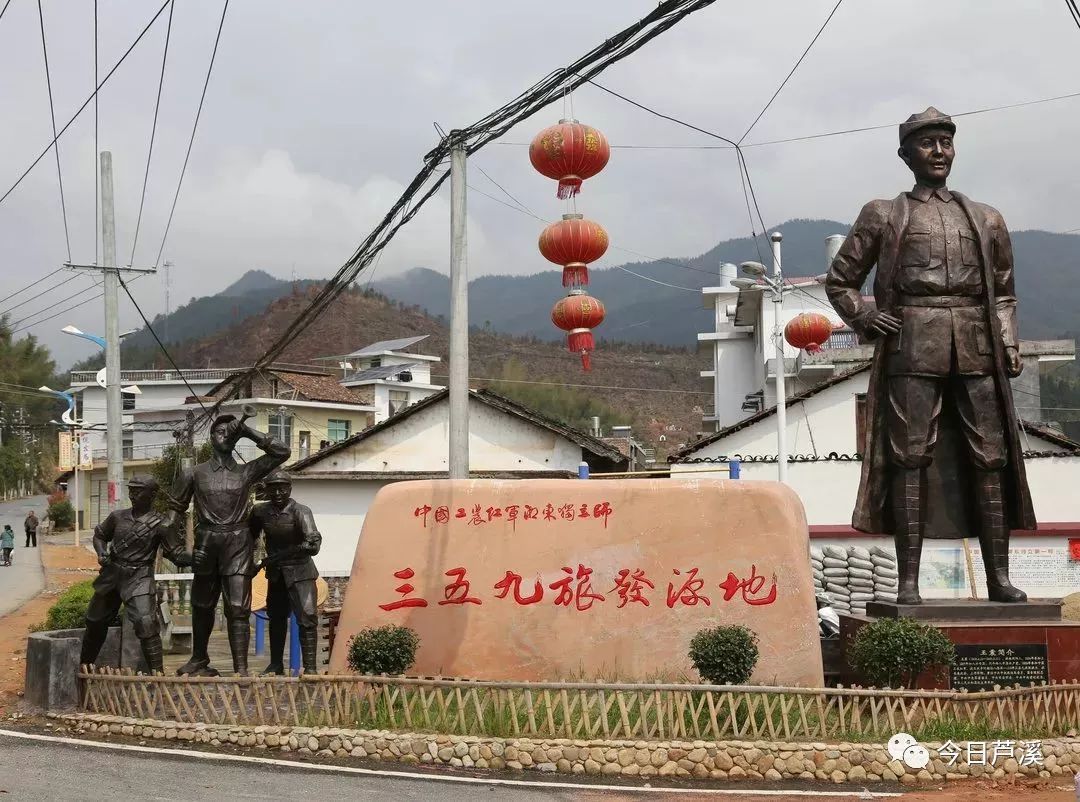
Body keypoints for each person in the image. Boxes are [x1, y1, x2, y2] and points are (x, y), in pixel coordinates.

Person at [826, 106, 1033, 604]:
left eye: (946, 142)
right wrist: (864, 317)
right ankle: (909, 583)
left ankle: (999, 579)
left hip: (976, 345)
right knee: (908, 457)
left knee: (991, 456)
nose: (939, 151)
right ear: (906, 155)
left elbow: (1003, 292)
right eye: (927, 143)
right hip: (912, 342)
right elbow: (841, 281)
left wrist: (1006, 341)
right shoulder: (884, 213)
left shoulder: (985, 217)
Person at [163, 410, 290, 676]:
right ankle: (199, 659)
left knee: (237, 607)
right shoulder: (194, 474)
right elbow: (170, 517)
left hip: (238, 544)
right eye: (219, 431)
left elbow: (281, 452)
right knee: (201, 604)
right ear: (210, 437)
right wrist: (178, 553)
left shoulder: (246, 472)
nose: (224, 435)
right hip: (207, 543)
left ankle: (241, 668)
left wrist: (247, 431)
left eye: (228, 431)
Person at [80, 475, 193, 673]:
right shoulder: (117, 517)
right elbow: (99, 535)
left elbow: (175, 554)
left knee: (146, 623)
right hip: (112, 573)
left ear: (152, 494)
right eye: (131, 490)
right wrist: (101, 553)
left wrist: (198, 557)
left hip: (139, 576)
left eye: (138, 491)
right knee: (95, 621)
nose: (133, 494)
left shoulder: (162, 524)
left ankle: (158, 675)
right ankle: (84, 668)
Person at [249, 470, 322, 675]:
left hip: (301, 572)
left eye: (283, 488)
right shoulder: (260, 512)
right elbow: (249, 538)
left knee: (307, 616)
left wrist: (312, 541)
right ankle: (276, 664)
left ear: (290, 489)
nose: (278, 492)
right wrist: (251, 561)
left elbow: (313, 542)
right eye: (273, 488)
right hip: (276, 572)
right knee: (276, 617)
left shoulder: (301, 511)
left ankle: (311, 668)